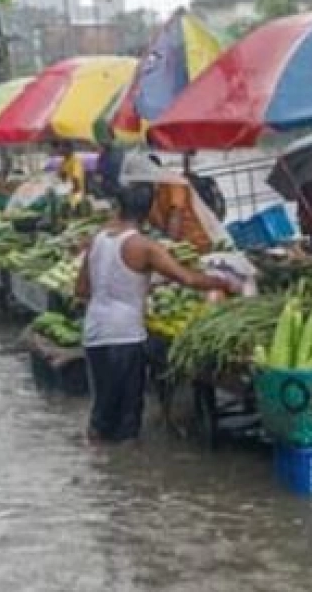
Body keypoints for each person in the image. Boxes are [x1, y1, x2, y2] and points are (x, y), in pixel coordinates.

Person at [74, 183, 230, 443]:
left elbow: (81, 289)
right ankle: (124, 476)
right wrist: (223, 282)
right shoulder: (144, 247)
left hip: (94, 333)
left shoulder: (97, 239)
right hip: (124, 336)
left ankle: (98, 474)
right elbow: (188, 279)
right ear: (148, 213)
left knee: (100, 416)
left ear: (119, 206)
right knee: (128, 423)